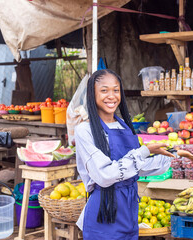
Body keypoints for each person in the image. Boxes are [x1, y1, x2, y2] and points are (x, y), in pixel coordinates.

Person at [75, 69, 175, 239]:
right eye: (104, 90)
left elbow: (138, 167)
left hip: (129, 211)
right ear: (93, 94)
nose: (111, 96)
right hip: (104, 211)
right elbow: (104, 175)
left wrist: (174, 156)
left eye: (116, 90)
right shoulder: (85, 130)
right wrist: (144, 151)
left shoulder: (125, 127)